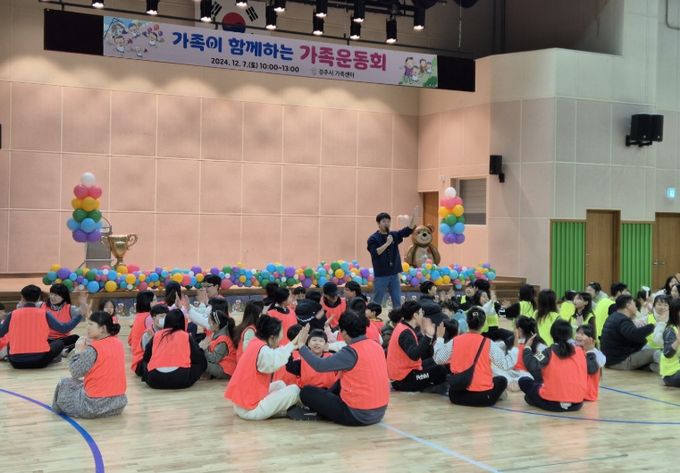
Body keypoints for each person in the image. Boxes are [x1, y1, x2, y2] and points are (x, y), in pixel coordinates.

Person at [293, 311, 390, 426]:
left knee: (307, 392)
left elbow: (319, 366)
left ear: (344, 332)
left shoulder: (350, 352)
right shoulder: (376, 346)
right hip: (379, 412)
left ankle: (319, 412)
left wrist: (302, 346)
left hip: (357, 415)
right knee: (340, 381)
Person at [225, 314, 305, 421]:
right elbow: (275, 361)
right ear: (272, 337)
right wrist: (293, 345)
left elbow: (275, 354)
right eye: (279, 339)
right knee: (294, 390)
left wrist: (292, 344)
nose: (279, 342)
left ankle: (284, 409)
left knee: (280, 384)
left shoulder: (255, 342)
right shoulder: (263, 351)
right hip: (251, 409)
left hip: (241, 404)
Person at [52, 311, 127, 418]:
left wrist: (78, 351)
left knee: (64, 383)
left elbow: (75, 373)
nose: (87, 327)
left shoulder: (93, 349)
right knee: (82, 384)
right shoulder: (119, 343)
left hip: (94, 406)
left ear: (102, 328)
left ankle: (57, 411)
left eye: (91, 324)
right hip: (118, 404)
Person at [441, 307, 511, 407]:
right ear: (483, 324)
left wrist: (439, 339)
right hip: (482, 398)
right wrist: (515, 348)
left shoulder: (455, 341)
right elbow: (505, 365)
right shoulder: (488, 343)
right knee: (501, 380)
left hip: (456, 396)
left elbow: (439, 359)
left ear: (467, 322)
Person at [0, 285, 82, 369]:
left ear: (22, 298)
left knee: (10, 343)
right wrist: (80, 316)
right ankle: (56, 356)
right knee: (59, 343)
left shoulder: (13, 314)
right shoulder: (44, 313)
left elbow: (1, 333)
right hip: (40, 361)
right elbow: (64, 329)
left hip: (16, 363)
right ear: (39, 298)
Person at [518, 320, 592, 412]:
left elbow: (532, 364)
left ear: (552, 334)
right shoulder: (580, 351)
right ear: (570, 335)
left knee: (524, 381)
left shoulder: (548, 351)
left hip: (553, 403)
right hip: (577, 404)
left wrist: (527, 348)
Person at [386, 301, 447, 392]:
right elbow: (414, 355)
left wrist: (426, 337)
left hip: (407, 371)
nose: (423, 316)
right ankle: (431, 391)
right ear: (415, 315)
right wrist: (428, 335)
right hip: (403, 379)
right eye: (422, 312)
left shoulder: (403, 326)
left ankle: (428, 386)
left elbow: (420, 353)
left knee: (436, 361)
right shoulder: (405, 332)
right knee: (440, 370)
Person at [142, 310, 207, 389]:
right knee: (201, 361)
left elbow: (146, 357)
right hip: (180, 379)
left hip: (154, 380)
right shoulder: (186, 336)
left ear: (166, 321)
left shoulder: (157, 335)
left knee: (144, 362)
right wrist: (201, 349)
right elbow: (198, 358)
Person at [367, 209, 418, 308]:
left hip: (394, 274)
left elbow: (408, 230)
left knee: (397, 301)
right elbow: (375, 252)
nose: (386, 223)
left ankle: (397, 317)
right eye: (384, 221)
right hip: (381, 275)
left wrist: (414, 217)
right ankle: (373, 317)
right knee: (377, 302)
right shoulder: (373, 238)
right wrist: (387, 243)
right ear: (378, 223)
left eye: (388, 221)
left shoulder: (393, 235)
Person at [600, 295, 656, 372]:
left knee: (648, 353)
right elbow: (635, 335)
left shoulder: (614, 316)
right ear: (628, 305)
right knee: (656, 352)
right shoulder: (622, 320)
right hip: (619, 361)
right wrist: (653, 326)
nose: (636, 308)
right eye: (634, 305)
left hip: (610, 360)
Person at [46, 283, 88, 351]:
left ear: (64, 296)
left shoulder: (70, 308)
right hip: (45, 339)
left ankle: (60, 350)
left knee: (76, 338)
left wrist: (83, 303)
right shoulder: (42, 306)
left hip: (62, 340)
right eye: (51, 294)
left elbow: (81, 314)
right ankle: (60, 350)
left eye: (56, 295)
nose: (52, 297)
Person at [198, 310, 237, 379]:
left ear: (216, 325)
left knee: (199, 361)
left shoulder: (223, 339)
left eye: (210, 322)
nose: (208, 324)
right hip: (221, 365)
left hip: (226, 371)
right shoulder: (217, 334)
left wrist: (204, 349)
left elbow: (214, 359)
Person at [574, 324, 606, 401]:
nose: (578, 336)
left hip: (588, 395)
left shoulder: (597, 354)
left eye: (582, 334)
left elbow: (592, 369)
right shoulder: (575, 349)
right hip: (576, 393)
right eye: (577, 333)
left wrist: (589, 351)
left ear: (591, 339)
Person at [127, 290, 156, 374]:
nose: (157, 302)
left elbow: (130, 340)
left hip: (137, 361)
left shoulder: (138, 316)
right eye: (154, 300)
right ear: (148, 302)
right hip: (144, 361)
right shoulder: (150, 317)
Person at [660, 299, 680, 387]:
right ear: (676, 313)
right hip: (671, 374)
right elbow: (667, 353)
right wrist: (678, 341)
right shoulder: (670, 330)